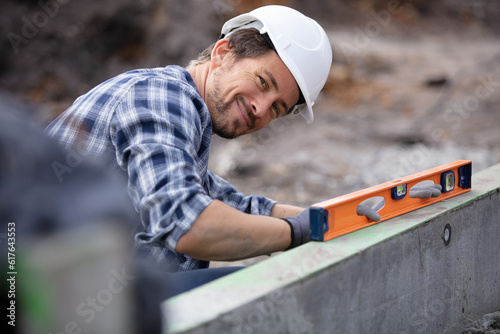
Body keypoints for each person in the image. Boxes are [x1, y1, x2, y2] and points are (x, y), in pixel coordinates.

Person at [45, 5, 333, 293]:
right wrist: (298, 232)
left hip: (75, 296)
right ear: (223, 53)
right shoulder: (161, 96)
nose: (261, 108)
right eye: (262, 82)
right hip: (51, 305)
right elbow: (186, 222)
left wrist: (333, 219)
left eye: (277, 108)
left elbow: (230, 204)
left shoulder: (183, 115)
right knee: (261, 289)